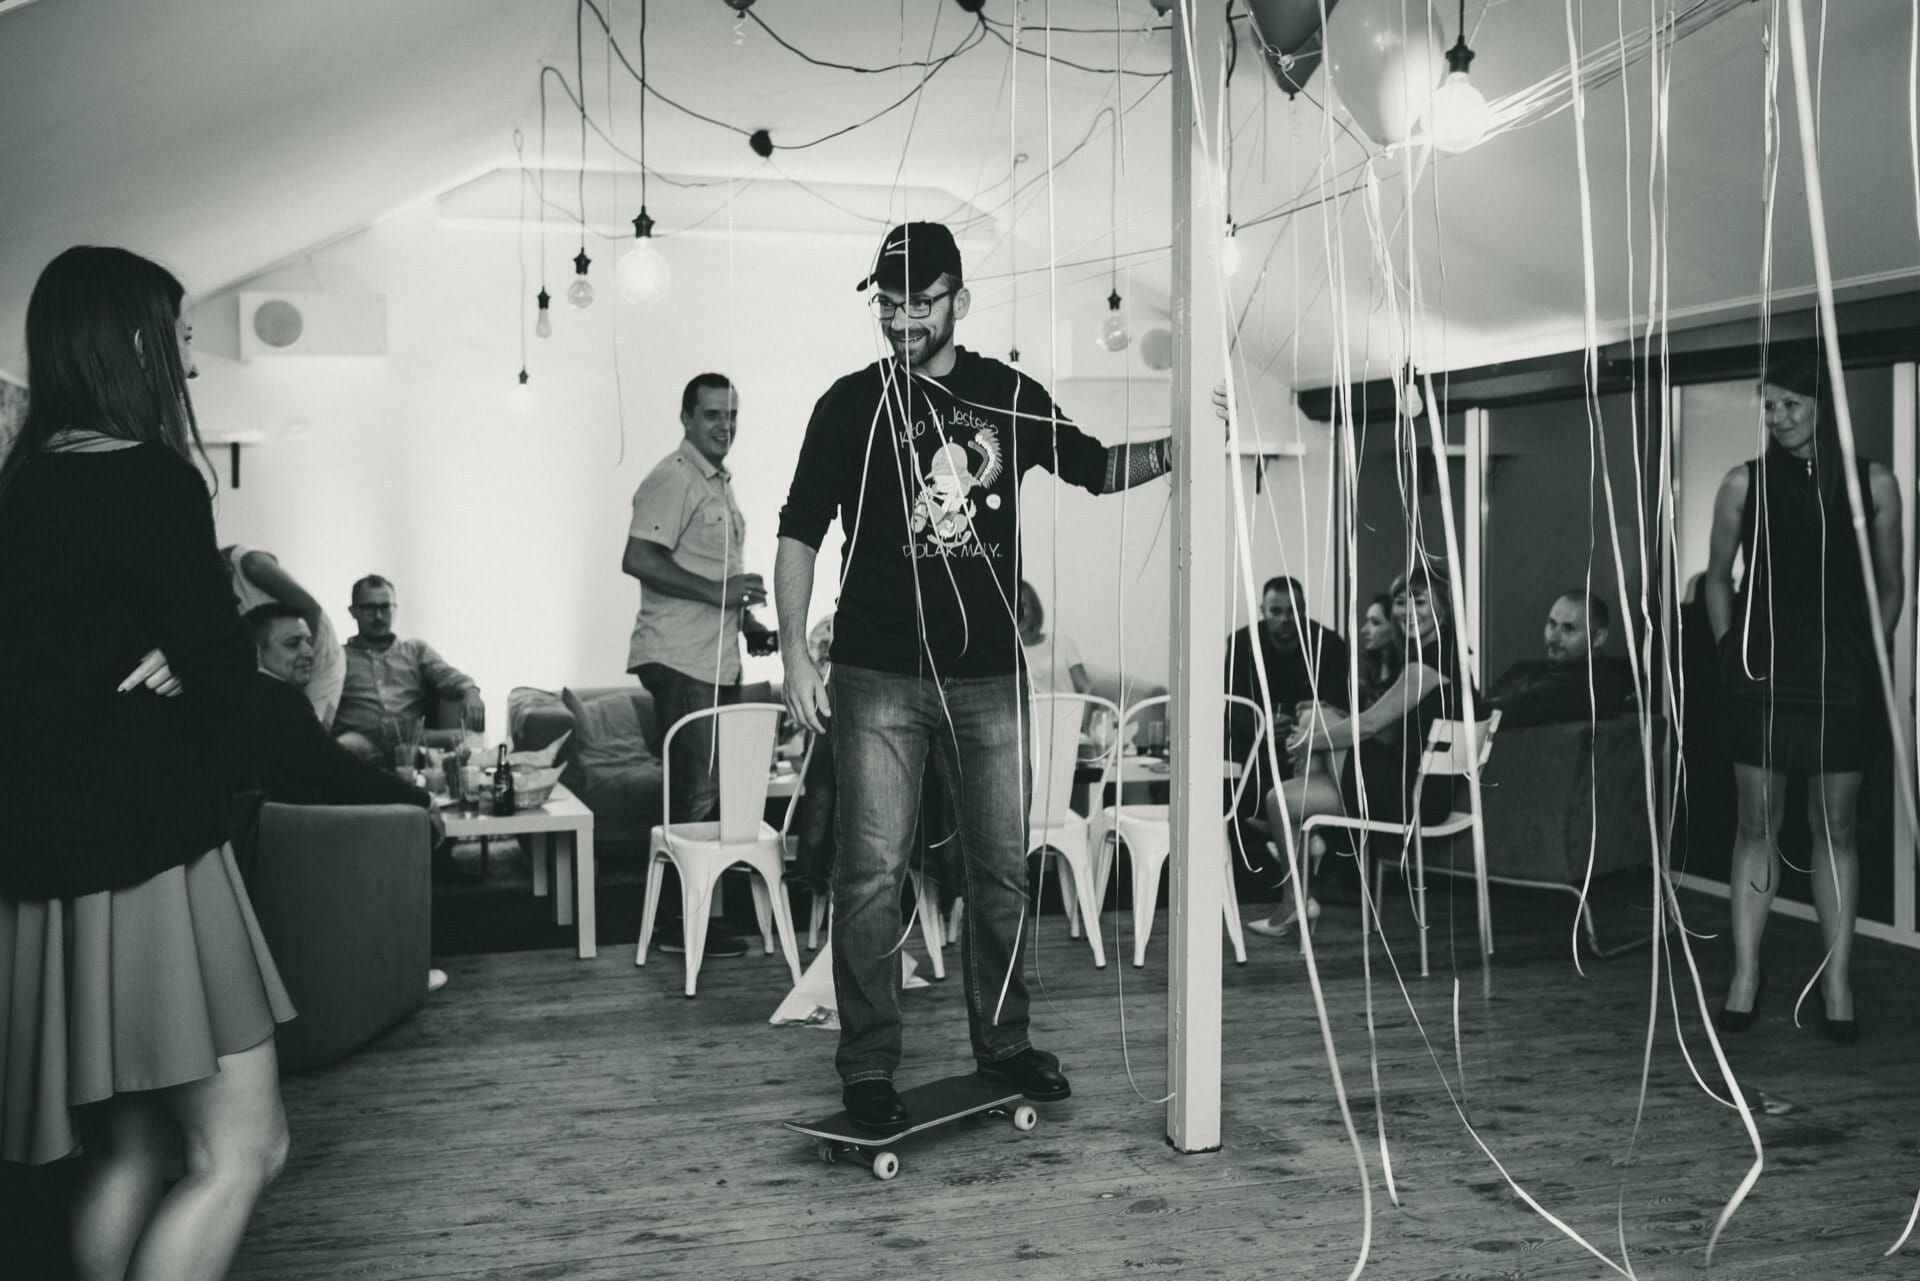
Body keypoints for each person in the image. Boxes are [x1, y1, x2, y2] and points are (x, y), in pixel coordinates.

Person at [776, 221, 1180, 1131]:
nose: (902, 318)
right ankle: (870, 1064)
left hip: (989, 679)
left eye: (920, 302)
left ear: (959, 298)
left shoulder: (1006, 394)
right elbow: (799, 527)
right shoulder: (849, 404)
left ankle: (1004, 1044)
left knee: (1000, 870)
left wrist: (1175, 446)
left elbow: (1092, 466)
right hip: (876, 674)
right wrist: (798, 651)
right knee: (869, 877)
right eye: (889, 303)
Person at [0, 246, 294, 1278]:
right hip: (150, 862)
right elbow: (227, 686)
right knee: (242, 1148)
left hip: (46, 876)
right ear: (130, 343)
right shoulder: (154, 481)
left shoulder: (18, 487)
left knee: (128, 1145)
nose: (189, 366)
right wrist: (194, 650)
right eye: (177, 340)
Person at [1705, 356, 1902, 1042]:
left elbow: (1890, 582)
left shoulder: (1874, 481)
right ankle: (1745, 974)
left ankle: (1838, 979)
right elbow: (1717, 578)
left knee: (1836, 824)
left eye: (1791, 404)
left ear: (1825, 406)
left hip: (1841, 674)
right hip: (1758, 671)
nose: (1779, 416)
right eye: (1770, 406)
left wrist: (1863, 658)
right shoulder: (1742, 483)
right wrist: (1733, 653)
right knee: (1756, 822)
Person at [621, 372, 774, 956]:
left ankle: (695, 918)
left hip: (715, 659)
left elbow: (717, 577)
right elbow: (638, 557)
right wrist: (719, 594)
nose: (725, 426)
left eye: (732, 415)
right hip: (678, 657)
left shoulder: (720, 484)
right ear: (687, 418)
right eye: (713, 415)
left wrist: (747, 620)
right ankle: (676, 928)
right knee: (695, 796)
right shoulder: (673, 477)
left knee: (710, 795)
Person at [1251, 569, 1476, 939]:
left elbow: (1371, 725)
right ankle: (1294, 903)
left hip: (1414, 797)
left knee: (1319, 718)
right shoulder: (1440, 658)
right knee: (1279, 801)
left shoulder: (1428, 665)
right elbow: (1385, 729)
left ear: (1443, 610)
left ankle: (1312, 842)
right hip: (1410, 788)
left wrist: (1308, 742)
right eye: (1402, 602)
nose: (1407, 611)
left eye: (1419, 602)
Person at [333, 575, 484, 765]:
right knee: (346, 747)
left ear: (394, 609)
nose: (379, 616)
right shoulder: (338, 657)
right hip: (363, 740)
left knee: (473, 741)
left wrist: (471, 692)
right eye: (370, 608)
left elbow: (450, 676)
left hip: (414, 739)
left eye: (385, 607)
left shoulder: (415, 650)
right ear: (353, 611)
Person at [1225, 576, 1351, 782]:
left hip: (1309, 743)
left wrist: (1295, 722)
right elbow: (1231, 703)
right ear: (1263, 610)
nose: (1284, 619)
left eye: (1292, 610)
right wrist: (1260, 725)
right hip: (1253, 741)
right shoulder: (1242, 643)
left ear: (1303, 611)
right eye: (1276, 611)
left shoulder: (1328, 645)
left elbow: (1337, 706)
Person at [223, 543, 346, 727]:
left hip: (319, 656)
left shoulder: (250, 563)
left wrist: (299, 664)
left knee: (311, 734)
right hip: (276, 660)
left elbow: (310, 609)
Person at [1484, 589, 1637, 727]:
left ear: (1598, 638)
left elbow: (1487, 715)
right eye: (1552, 624)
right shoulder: (1523, 669)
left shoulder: (1590, 683)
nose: (1554, 638)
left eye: (1568, 628)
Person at [1016, 579, 1090, 696]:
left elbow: (1086, 688)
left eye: (1023, 605)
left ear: (1033, 608)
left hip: (1073, 711)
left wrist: (1083, 715)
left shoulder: (1063, 643)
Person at [1356, 591, 1404, 710]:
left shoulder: (1407, 671)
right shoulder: (1373, 670)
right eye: (1367, 622)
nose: (1364, 630)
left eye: (1375, 623)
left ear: (1395, 628)